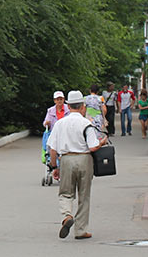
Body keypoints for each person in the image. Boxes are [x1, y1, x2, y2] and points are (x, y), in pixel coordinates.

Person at [46, 90, 107, 240]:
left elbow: (52, 148)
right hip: (84, 159)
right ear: (82, 106)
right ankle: (80, 230)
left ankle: (67, 215)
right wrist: (102, 143)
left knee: (65, 193)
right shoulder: (86, 123)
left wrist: (54, 167)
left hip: (66, 159)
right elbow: (93, 146)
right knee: (84, 195)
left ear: (68, 106)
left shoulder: (60, 124)